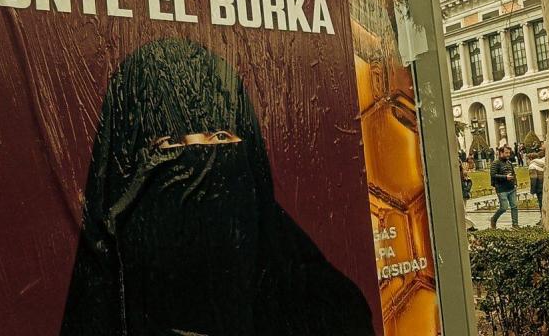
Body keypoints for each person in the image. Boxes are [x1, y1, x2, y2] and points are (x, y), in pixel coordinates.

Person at [60, 39, 374, 336]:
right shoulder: (99, 316)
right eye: (169, 143)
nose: (199, 162)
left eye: (221, 136)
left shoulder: (330, 311)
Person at [489, 145, 519, 229]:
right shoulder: (495, 163)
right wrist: (505, 177)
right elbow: (493, 175)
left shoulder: (509, 163)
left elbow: (513, 173)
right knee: (504, 207)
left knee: (514, 206)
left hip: (511, 188)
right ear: (500, 153)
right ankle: (493, 219)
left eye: (509, 153)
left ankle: (515, 225)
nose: (508, 154)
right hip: (501, 189)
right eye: (506, 153)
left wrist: (515, 183)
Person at [528, 151, 546, 219]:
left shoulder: (532, 166)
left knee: (541, 203)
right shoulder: (543, 163)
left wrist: (532, 190)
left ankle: (543, 219)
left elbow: (534, 179)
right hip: (545, 185)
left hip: (539, 187)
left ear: (530, 158)